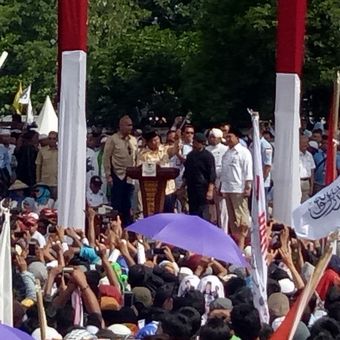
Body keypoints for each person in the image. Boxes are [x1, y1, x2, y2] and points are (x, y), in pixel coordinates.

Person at [220, 127, 253, 243]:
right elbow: (224, 172)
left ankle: (244, 242)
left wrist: (248, 186)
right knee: (232, 219)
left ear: (237, 137)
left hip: (239, 189)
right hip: (228, 188)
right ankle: (236, 240)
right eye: (226, 136)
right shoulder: (227, 153)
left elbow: (247, 170)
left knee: (241, 218)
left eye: (230, 136)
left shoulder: (244, 152)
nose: (228, 139)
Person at [103, 115, 137, 226]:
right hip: (117, 175)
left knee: (128, 205)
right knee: (117, 205)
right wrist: (108, 175)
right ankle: (116, 228)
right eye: (128, 125)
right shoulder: (112, 139)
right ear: (121, 126)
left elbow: (136, 157)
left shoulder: (133, 140)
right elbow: (106, 157)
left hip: (130, 176)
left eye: (131, 125)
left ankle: (127, 228)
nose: (130, 127)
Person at [137, 128, 180, 213]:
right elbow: (140, 169)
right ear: (148, 143)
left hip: (168, 189)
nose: (156, 142)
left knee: (168, 214)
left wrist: (178, 139)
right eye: (153, 140)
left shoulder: (165, 149)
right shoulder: (143, 154)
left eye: (157, 139)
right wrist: (156, 166)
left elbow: (175, 149)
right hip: (152, 191)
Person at [182, 132, 216, 218]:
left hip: (203, 187)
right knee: (192, 210)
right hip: (191, 186)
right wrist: (183, 186)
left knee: (203, 210)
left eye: (197, 142)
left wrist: (210, 190)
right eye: (194, 142)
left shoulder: (208, 156)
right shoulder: (190, 155)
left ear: (202, 143)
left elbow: (212, 173)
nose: (195, 144)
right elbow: (187, 171)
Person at [206, 128, 228, 231]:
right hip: (209, 182)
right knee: (210, 209)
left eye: (214, 137)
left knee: (222, 209)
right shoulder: (206, 150)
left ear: (219, 138)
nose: (211, 138)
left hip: (220, 181)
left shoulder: (225, 149)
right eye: (210, 136)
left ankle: (224, 231)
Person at [35, 131, 58, 199]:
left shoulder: (61, 151)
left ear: (57, 140)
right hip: (44, 183)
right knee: (43, 202)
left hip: (57, 182)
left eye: (54, 138)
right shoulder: (42, 151)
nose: (52, 140)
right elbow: (38, 166)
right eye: (50, 138)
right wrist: (38, 182)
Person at [299, 135, 315, 202]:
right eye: (303, 142)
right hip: (297, 182)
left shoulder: (309, 155)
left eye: (306, 142)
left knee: (305, 204)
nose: (305, 144)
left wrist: (311, 187)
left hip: (306, 183)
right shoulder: (295, 155)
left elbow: (312, 172)